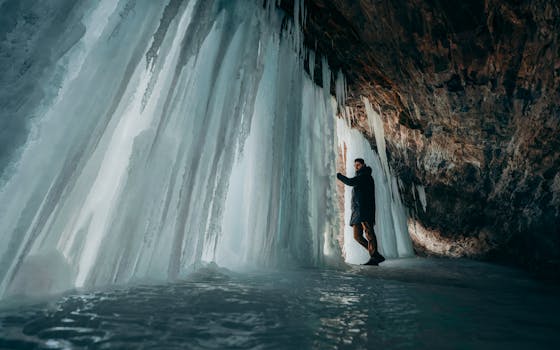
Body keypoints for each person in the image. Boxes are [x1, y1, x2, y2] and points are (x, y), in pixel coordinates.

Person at [337, 158, 385, 265]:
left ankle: (374, 257)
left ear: (363, 165)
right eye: (355, 165)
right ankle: (374, 254)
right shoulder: (360, 177)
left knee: (369, 233)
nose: (356, 167)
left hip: (365, 210)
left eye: (358, 165)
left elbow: (350, 182)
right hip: (357, 211)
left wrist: (338, 176)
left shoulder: (365, 176)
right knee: (357, 236)